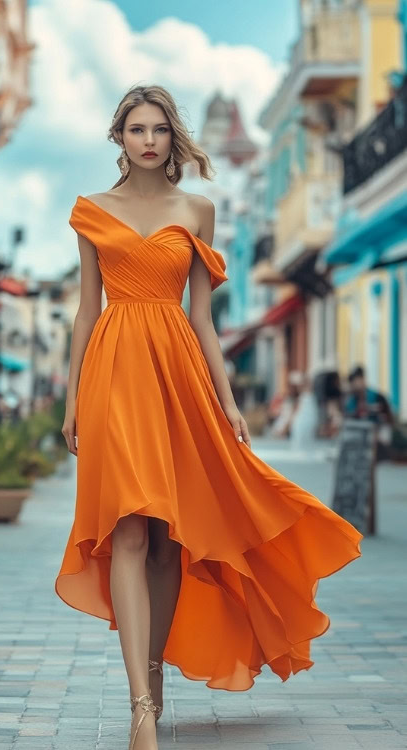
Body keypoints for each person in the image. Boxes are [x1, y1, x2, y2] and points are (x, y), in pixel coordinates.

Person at [55, 84, 363, 750]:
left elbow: (203, 319)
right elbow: (87, 309)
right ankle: (141, 706)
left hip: (179, 378)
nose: (147, 140)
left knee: (170, 538)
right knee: (128, 530)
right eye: (135, 128)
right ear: (119, 137)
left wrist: (228, 404)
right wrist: (71, 397)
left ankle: (155, 669)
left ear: (172, 138)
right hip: (113, 373)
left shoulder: (198, 210)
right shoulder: (90, 211)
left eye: (158, 129)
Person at [344, 365, 395, 459]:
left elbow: (388, 419)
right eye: (353, 381)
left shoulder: (377, 397)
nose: (356, 384)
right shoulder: (351, 400)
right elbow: (348, 420)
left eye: (358, 380)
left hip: (377, 432)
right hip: (360, 434)